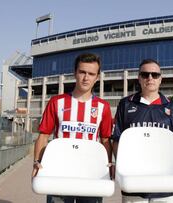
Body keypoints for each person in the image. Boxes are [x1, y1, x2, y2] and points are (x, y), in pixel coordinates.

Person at [32, 53, 113, 203]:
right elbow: (43, 136)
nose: (86, 77)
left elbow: (105, 140)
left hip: (91, 173)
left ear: (97, 77)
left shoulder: (103, 107)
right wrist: (37, 161)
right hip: (59, 171)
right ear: (75, 73)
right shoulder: (56, 102)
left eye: (91, 74)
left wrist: (108, 167)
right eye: (82, 72)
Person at [112, 59, 173, 203]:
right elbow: (117, 140)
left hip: (165, 180)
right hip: (134, 180)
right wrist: (122, 167)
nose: (150, 78)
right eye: (145, 74)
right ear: (139, 78)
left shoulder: (172, 108)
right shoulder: (125, 104)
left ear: (160, 79)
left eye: (154, 75)